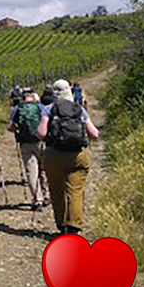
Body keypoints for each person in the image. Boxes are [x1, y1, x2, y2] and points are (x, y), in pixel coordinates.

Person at [36, 79, 100, 235]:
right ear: (69, 91)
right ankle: (73, 226)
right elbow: (95, 134)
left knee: (56, 190)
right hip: (76, 155)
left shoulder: (48, 109)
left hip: (54, 155)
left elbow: (41, 133)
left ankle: (61, 224)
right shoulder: (79, 109)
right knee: (75, 191)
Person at [9, 89, 48, 209]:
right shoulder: (40, 107)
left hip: (25, 143)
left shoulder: (17, 109)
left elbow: (11, 127)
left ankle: (37, 199)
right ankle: (47, 195)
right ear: (33, 96)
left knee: (31, 171)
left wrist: (17, 131)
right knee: (44, 168)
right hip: (40, 142)